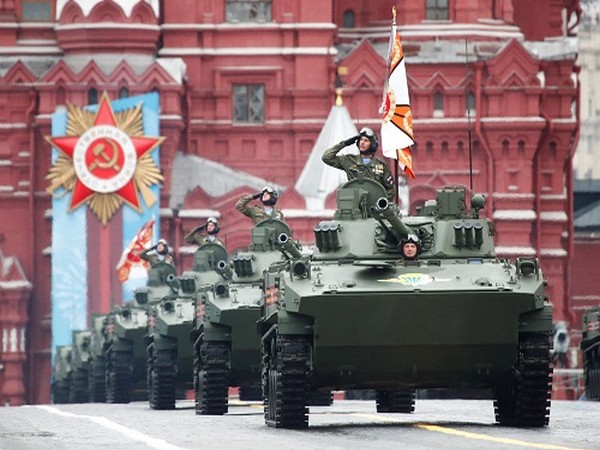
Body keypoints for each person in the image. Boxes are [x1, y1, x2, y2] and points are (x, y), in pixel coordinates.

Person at [322, 127, 395, 201]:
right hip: (354, 205)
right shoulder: (349, 160)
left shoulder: (380, 164)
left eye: (366, 141)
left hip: (375, 206)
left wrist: (382, 203)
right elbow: (326, 157)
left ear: (373, 144)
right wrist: (345, 143)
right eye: (361, 140)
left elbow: (391, 189)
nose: (362, 143)